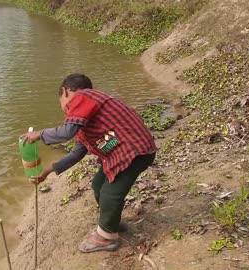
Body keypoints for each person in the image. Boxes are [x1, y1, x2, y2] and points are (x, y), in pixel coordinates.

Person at [21, 73, 157, 253]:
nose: (64, 109)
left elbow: (66, 132)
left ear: (66, 91)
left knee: (110, 191)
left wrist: (40, 134)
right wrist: (47, 171)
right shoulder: (89, 115)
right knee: (99, 184)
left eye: (61, 101)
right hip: (126, 148)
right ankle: (111, 222)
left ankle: (107, 238)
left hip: (135, 150)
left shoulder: (83, 96)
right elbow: (78, 153)